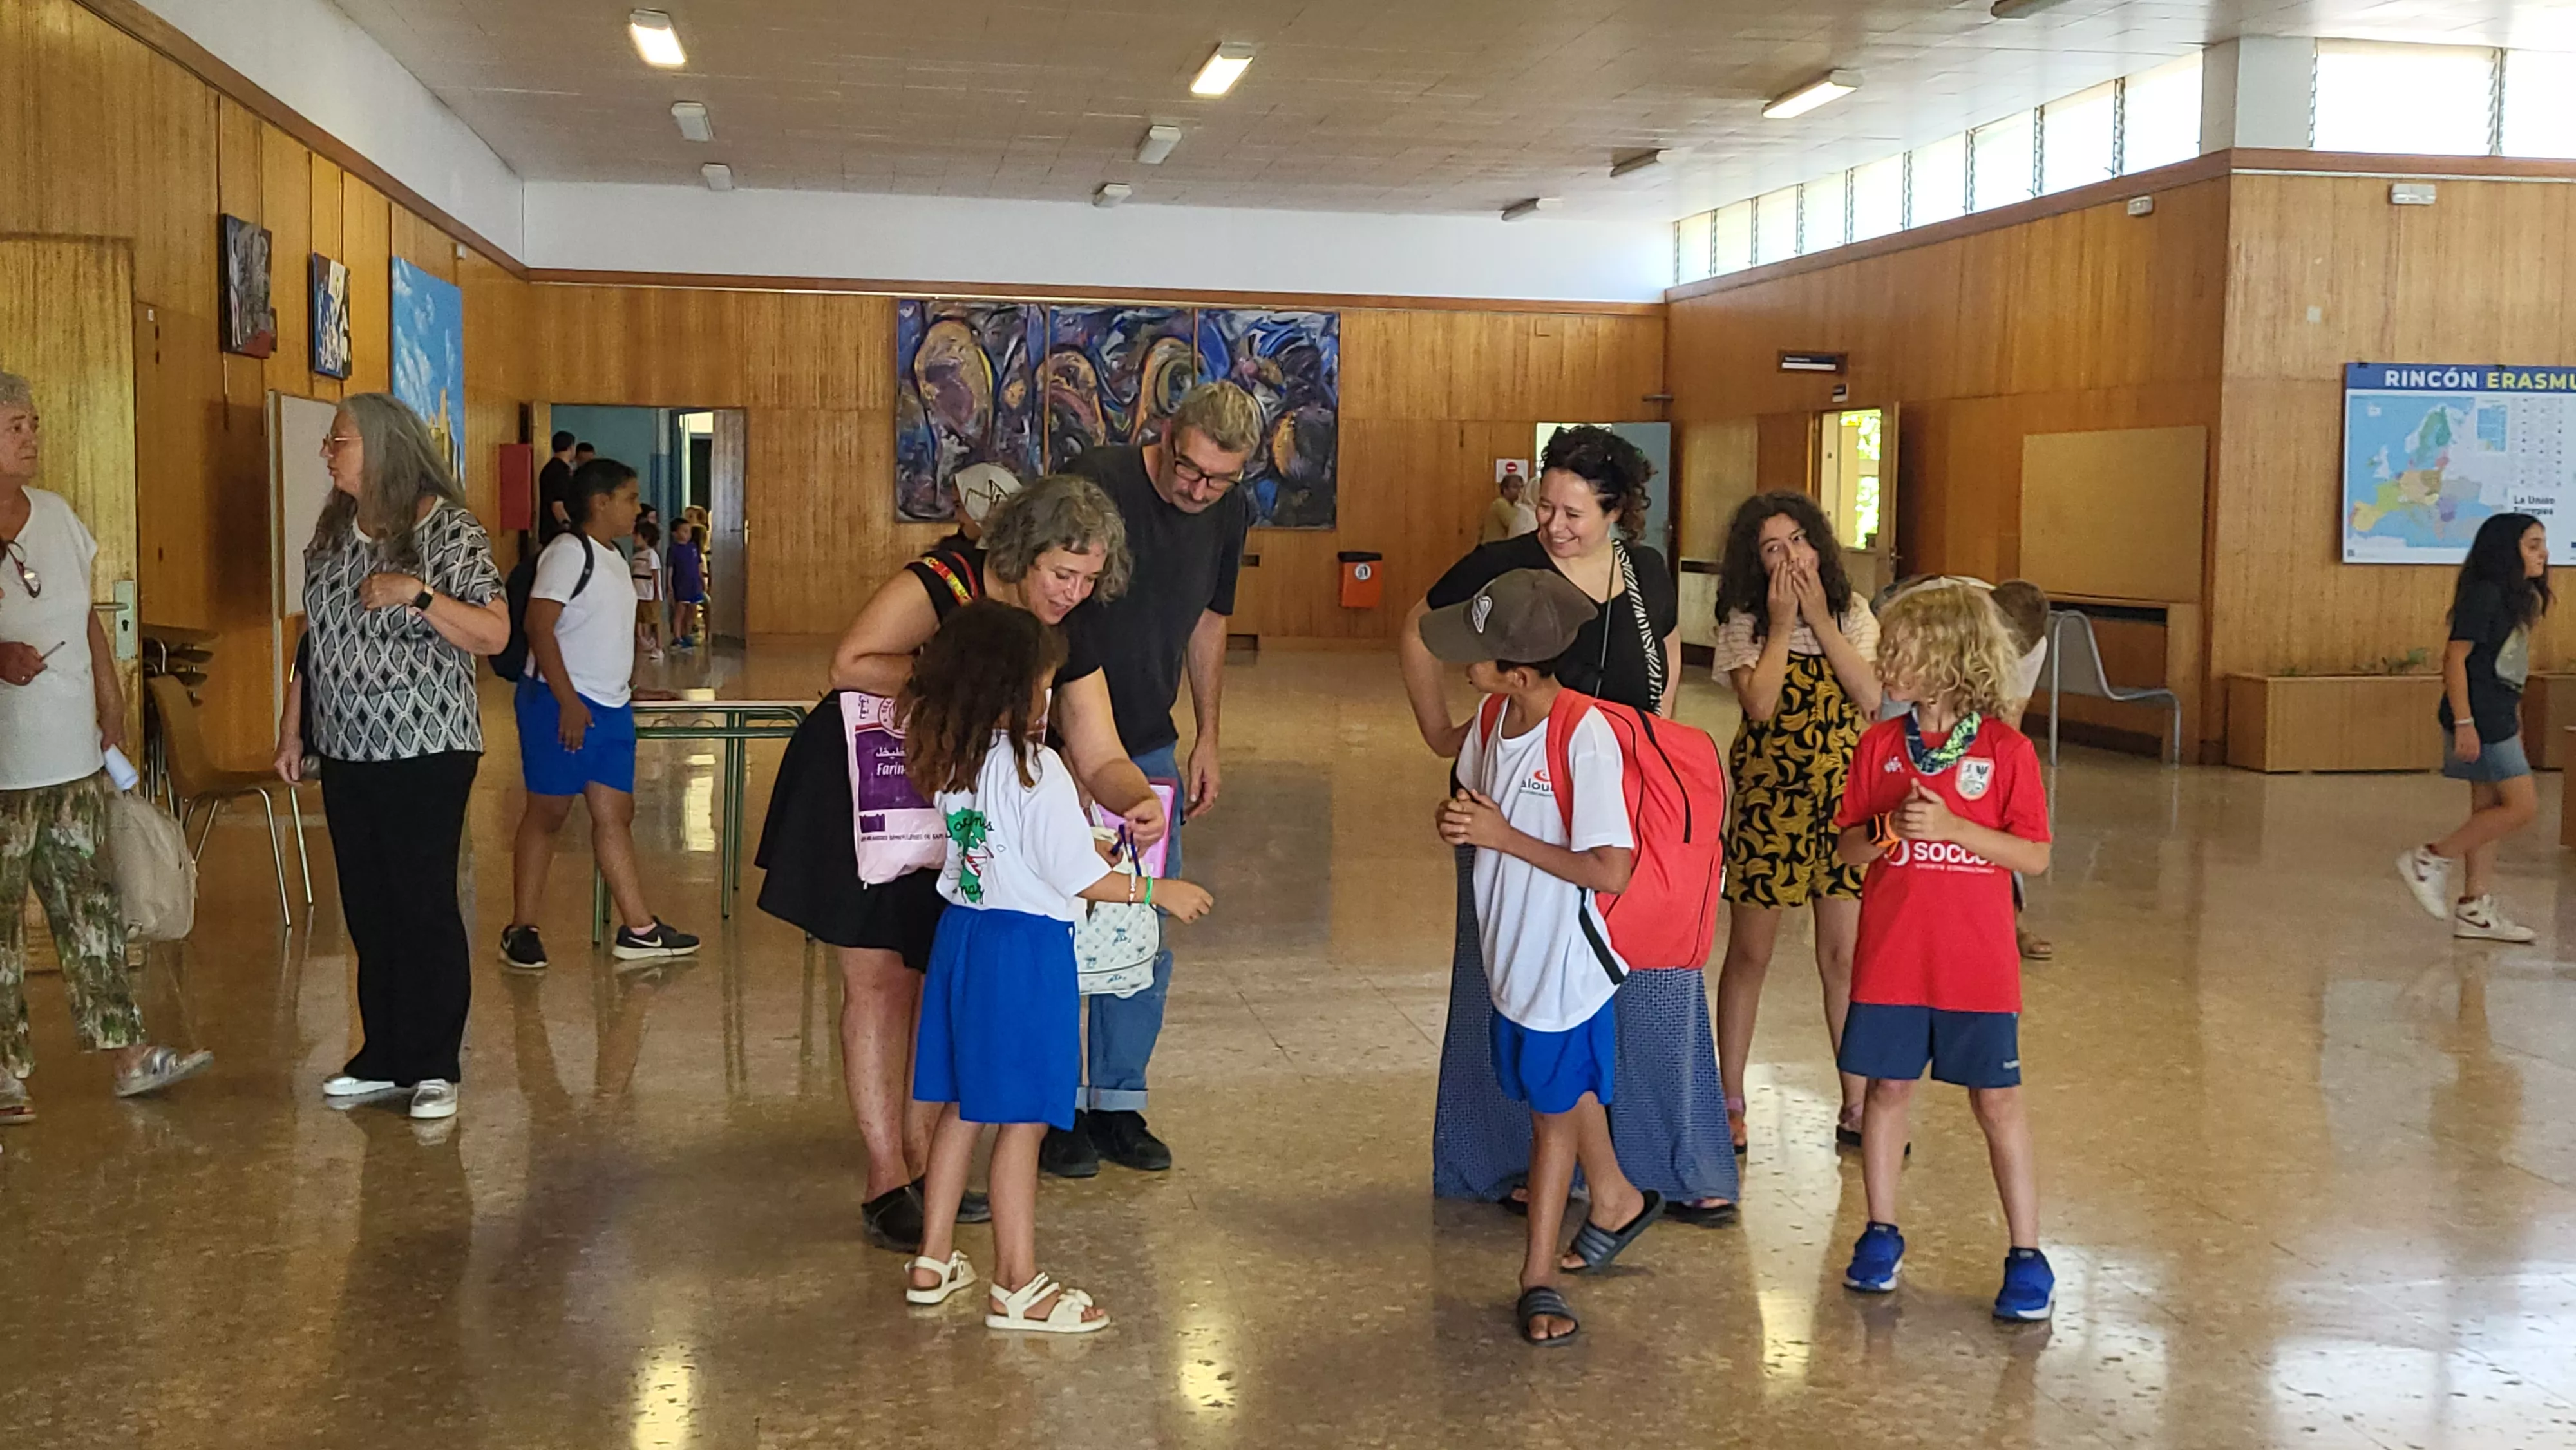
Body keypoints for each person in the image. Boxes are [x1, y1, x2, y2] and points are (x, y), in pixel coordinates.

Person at [754, 475, 1164, 1251]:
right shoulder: (944, 583)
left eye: (1086, 579)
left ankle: (923, 1154)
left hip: (965, 806)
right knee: (876, 981)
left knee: (929, 976)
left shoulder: (1072, 624)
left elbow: (1099, 746)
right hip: (870, 790)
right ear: (1019, 553)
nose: (1072, 594)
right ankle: (887, 1178)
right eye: (1059, 574)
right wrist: (973, 691)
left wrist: (1133, 794)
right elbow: (852, 661)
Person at [1405, 426, 1735, 1224]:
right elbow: (1420, 627)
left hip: (1618, 805)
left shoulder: (1645, 571)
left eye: (1573, 511)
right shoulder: (1507, 567)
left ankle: (1668, 1157)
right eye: (1547, 505)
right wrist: (1444, 732)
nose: (1553, 523)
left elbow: (1667, 656)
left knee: (1652, 977)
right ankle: (1518, 1159)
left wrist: (1652, 745)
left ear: (1616, 510)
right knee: (1517, 979)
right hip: (1520, 807)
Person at [900, 601, 1215, 1332]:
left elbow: (1015, 852)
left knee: (962, 1104)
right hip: (1023, 955)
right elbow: (1079, 880)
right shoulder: (1033, 766)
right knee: (1022, 1121)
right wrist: (1155, 887)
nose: (1048, 701)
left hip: (965, 940)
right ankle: (1017, 1281)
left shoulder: (955, 754)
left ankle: (932, 1255)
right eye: (1042, 687)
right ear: (1012, 690)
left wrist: (1082, 853)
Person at [1423, 567, 1664, 1346]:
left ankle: (1539, 1280)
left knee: (1549, 1124)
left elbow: (1609, 868)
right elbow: (1472, 801)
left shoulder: (1583, 739)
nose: (1467, 666)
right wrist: (1460, 820)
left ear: (1520, 671)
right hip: (1513, 955)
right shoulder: (1494, 718)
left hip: (1563, 963)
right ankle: (1619, 1196)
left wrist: (1502, 838)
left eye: (1480, 657)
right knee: (1552, 1091)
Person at [275, 392, 508, 1124]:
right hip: (348, 748)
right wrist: (294, 729)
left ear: (381, 447)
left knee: (421, 901)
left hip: (426, 748)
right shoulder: (334, 530)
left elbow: (494, 633)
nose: (327, 452)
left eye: (339, 439)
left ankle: (435, 1060)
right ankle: (384, 1052)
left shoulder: (448, 529)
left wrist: (420, 594)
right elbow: (315, 641)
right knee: (369, 906)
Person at [1830, 579, 2055, 1320]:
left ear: (1953, 659)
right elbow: (1849, 852)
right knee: (1886, 1089)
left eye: (1902, 651)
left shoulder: (2006, 751)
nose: (1885, 662)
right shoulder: (1879, 747)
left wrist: (1957, 828)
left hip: (1976, 966)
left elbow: (2032, 857)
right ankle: (1881, 1229)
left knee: (1997, 1099)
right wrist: (1890, 828)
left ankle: (2026, 1251)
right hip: (1893, 957)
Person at [1053, 382, 1257, 1176]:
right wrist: (1059, 750)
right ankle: (1052, 1105)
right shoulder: (1097, 479)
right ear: (1166, 434)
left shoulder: (1226, 511)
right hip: (1061, 742)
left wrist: (1208, 732)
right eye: (1189, 468)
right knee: (1057, 926)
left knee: (1138, 931)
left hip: (1147, 745)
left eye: (1219, 481)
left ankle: (1116, 1101)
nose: (1197, 490)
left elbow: (1210, 617)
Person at [0, 368, 211, 1122]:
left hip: (70, 755)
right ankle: (4, 1070)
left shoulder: (56, 515)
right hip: (4, 766)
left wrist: (110, 695)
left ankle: (128, 1050)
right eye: (16, 425)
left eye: (33, 424)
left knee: (90, 907)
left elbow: (83, 615)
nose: (32, 438)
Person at [1710, 491, 1881, 1156]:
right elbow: (1758, 703)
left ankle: (1858, 1098)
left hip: (1843, 803)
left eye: (1799, 541)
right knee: (1750, 952)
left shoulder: (1857, 613)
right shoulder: (1742, 620)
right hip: (1768, 802)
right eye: (1772, 548)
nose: (1790, 558)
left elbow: (1869, 695)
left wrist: (1819, 617)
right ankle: (1729, 1098)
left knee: (1842, 955)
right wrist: (1783, 624)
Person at [500, 458, 699, 974]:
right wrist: (568, 700)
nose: (638, 508)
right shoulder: (569, 553)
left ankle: (640, 930)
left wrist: (632, 688)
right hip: (558, 705)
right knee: (548, 815)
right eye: (631, 499)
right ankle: (522, 928)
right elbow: (540, 627)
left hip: (608, 708)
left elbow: (603, 632)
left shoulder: (613, 557)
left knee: (616, 814)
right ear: (600, 502)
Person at [2398, 512, 2552, 942]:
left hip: (2499, 712)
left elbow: (2506, 666)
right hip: (2480, 714)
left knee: (2489, 812)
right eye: (2533, 544)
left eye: (2542, 544)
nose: (2544, 554)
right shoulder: (2484, 595)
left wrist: (2516, 716)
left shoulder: (2517, 598)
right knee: (2522, 807)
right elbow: (2455, 659)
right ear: (2508, 549)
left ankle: (2474, 907)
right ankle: (2429, 858)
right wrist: (2465, 722)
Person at [1989, 580, 2054, 963]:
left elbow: (2010, 718)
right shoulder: (1954, 621)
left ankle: (2013, 922)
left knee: (1997, 822)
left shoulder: (2033, 644)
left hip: (1983, 727)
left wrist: (2004, 774)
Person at [629, 518, 665, 662]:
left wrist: (657, 592)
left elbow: (655, 574)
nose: (634, 538)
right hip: (638, 592)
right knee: (639, 619)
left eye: (636, 535)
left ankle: (659, 646)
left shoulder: (651, 555)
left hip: (649, 593)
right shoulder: (636, 556)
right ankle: (643, 641)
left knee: (654, 620)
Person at [667, 520, 706, 650]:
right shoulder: (673, 550)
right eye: (684, 531)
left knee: (692, 611)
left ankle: (687, 634)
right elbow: (670, 568)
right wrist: (669, 584)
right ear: (675, 533)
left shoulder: (693, 547)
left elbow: (698, 565)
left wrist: (702, 580)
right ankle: (677, 637)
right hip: (681, 585)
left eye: (689, 531)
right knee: (680, 611)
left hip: (694, 584)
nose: (687, 534)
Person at [536, 430, 577, 543]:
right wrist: (571, 531)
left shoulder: (550, 468)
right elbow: (558, 506)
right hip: (557, 534)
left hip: (550, 532)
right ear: (571, 447)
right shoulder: (560, 471)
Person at [1481, 472, 1537, 544]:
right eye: (1515, 487)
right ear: (1505, 490)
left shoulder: (1513, 505)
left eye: (1522, 487)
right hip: (1494, 547)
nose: (1520, 491)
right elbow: (1514, 523)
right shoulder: (1500, 503)